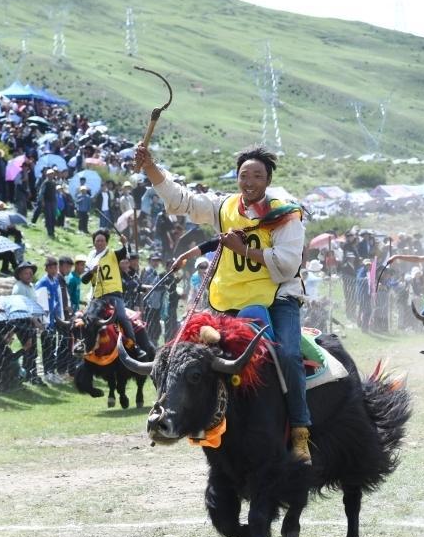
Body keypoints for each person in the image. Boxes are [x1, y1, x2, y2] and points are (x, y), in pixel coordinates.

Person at [137, 143, 312, 464]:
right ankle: (191, 418)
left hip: (277, 298)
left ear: (268, 179)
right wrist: (150, 168)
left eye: (257, 175)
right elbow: (180, 201)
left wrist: (243, 250)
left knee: (287, 354)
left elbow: (288, 264)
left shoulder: (286, 214)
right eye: (244, 174)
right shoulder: (223, 207)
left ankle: (301, 429)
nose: (249, 181)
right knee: (189, 358)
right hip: (228, 302)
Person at [81, 229, 147, 359]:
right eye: (97, 241)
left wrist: (124, 243)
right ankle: (84, 344)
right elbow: (84, 280)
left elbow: (124, 252)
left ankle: (134, 346)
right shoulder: (90, 259)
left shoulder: (112, 254)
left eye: (102, 241)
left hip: (113, 295)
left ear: (106, 243)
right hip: (97, 297)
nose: (99, 243)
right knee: (87, 319)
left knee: (122, 317)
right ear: (94, 243)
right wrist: (91, 272)